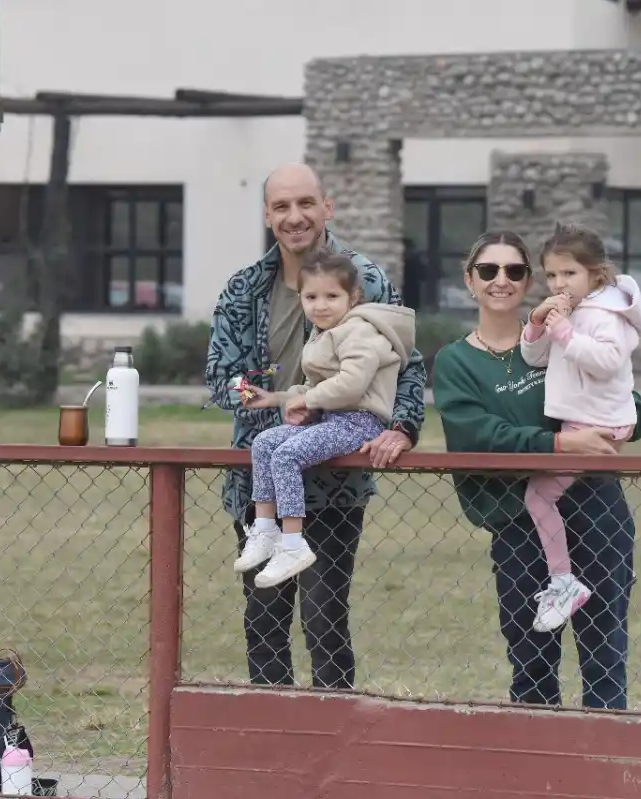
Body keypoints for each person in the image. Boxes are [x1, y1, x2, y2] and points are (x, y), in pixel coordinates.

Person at [205, 162, 426, 690]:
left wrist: (403, 427)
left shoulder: (363, 279)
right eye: (281, 206)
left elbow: (408, 365)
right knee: (263, 625)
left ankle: (332, 756)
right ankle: (273, 754)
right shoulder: (244, 289)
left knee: (325, 622)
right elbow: (220, 378)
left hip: (335, 479)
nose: (294, 216)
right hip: (259, 487)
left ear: (327, 207)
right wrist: (256, 399)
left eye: (306, 203)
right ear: (267, 215)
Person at [432, 229, 641, 709]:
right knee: (530, 658)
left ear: (530, 280)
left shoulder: (562, 337)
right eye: (488, 270)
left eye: (514, 270)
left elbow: (622, 396)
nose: (500, 280)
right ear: (470, 280)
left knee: (605, 650)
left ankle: (603, 762)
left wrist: (622, 423)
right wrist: (560, 442)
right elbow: (477, 436)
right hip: (517, 516)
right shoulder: (457, 361)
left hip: (595, 506)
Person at [238, 250, 416, 587]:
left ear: (353, 298)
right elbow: (315, 387)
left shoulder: (359, 332)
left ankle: (293, 544)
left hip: (358, 421)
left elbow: (351, 385)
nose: (321, 305)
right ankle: (265, 531)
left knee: (287, 455)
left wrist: (310, 398)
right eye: (311, 297)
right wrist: (281, 398)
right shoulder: (323, 333)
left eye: (332, 296)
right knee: (264, 443)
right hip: (331, 419)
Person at [521, 223, 641, 633]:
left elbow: (606, 361)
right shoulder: (574, 310)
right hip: (580, 419)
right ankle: (578, 577)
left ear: (595, 274)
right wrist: (537, 323)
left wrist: (564, 329)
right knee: (543, 497)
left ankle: (565, 582)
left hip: (597, 423)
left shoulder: (605, 314)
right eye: (553, 275)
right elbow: (536, 358)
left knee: (539, 496)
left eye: (569, 274)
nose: (560, 283)